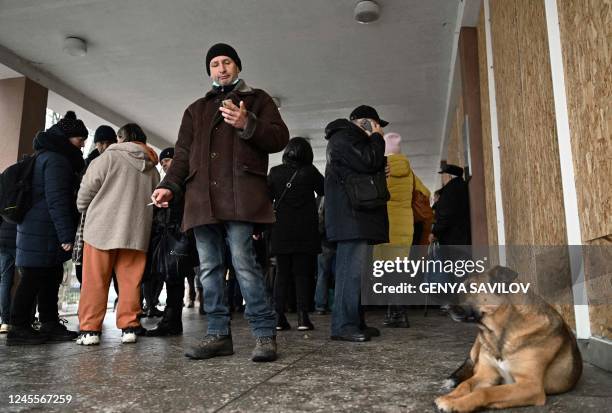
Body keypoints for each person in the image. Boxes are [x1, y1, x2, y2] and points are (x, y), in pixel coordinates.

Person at [151, 43, 289, 362]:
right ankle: (217, 335)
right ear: (209, 71)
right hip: (202, 198)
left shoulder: (258, 100)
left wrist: (247, 123)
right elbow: (182, 153)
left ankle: (265, 335)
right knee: (209, 269)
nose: (221, 68)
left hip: (240, 196)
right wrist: (168, 185)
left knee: (244, 263)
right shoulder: (195, 110)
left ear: (238, 67)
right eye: (215, 64)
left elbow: (279, 138)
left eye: (227, 62)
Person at [6, 111, 87, 345]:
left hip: (38, 227)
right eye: (79, 139)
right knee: (33, 278)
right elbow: (57, 199)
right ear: (67, 137)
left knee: (50, 275)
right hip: (42, 230)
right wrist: (66, 234)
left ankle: (49, 323)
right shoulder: (56, 160)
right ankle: (18, 328)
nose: (82, 144)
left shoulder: (45, 156)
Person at [76, 123, 160, 345]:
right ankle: (129, 326)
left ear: (121, 138)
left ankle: (90, 330)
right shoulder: (152, 166)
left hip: (101, 229)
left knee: (95, 280)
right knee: (131, 282)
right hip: (136, 231)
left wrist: (84, 207)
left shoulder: (107, 158)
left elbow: (85, 193)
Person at [324, 105, 389, 342]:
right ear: (364, 122)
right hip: (351, 218)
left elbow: (366, 166)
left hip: (358, 217)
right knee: (349, 274)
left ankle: (356, 321)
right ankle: (343, 325)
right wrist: (377, 139)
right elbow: (369, 161)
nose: (378, 128)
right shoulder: (343, 136)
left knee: (359, 274)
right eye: (375, 123)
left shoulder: (349, 139)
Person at [268, 137, 324, 331]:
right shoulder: (310, 172)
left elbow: (266, 199)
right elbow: (325, 190)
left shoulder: (275, 172)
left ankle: (278, 317)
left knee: (281, 274)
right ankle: (302, 318)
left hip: (281, 230)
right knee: (302, 274)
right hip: (305, 231)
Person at [146, 147, 197, 337]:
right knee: (173, 277)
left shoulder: (181, 181)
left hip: (178, 235)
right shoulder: (175, 181)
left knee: (174, 277)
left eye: (166, 160)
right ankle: (172, 320)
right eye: (162, 162)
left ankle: (172, 321)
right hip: (177, 235)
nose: (164, 165)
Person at [377, 132, 414, 328]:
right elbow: (423, 192)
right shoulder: (408, 171)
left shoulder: (384, 170)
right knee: (399, 272)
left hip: (388, 226)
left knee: (390, 273)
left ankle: (396, 314)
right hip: (405, 226)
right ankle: (398, 313)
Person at [430, 164, 471, 245]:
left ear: (450, 176)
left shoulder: (450, 190)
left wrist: (434, 232)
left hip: (455, 238)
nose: (444, 178)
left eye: (444, 175)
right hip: (460, 234)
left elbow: (445, 214)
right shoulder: (458, 186)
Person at [0, 218, 17, 333]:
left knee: (5, 282)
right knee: (27, 279)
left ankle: (5, 322)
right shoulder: (25, 199)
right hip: (19, 238)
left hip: (2, 238)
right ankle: (23, 320)